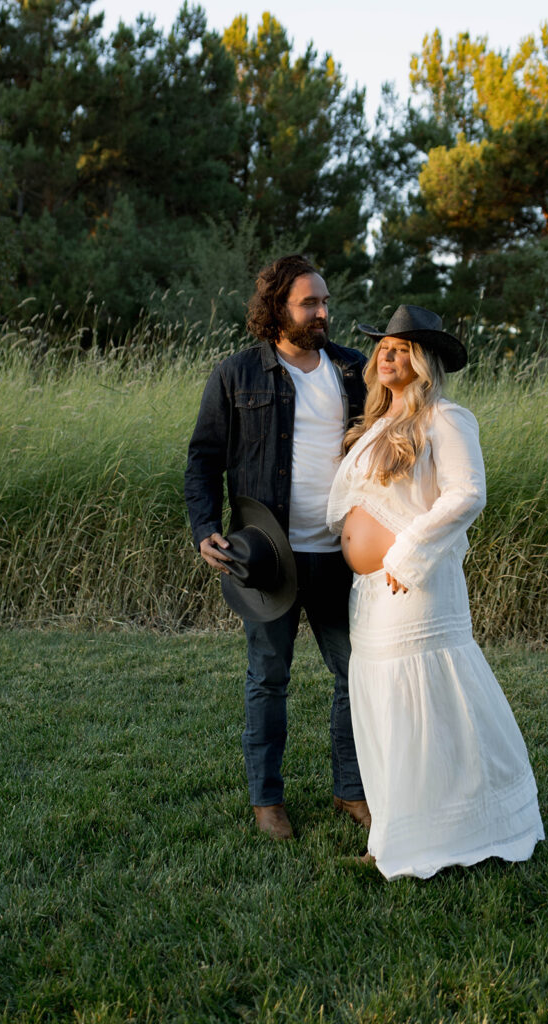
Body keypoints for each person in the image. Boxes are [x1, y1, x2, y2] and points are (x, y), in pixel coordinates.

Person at [327, 304, 545, 879]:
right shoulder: (375, 423)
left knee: (419, 705)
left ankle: (458, 830)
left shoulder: (446, 418)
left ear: (422, 361)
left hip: (413, 587)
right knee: (379, 704)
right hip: (370, 592)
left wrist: (406, 552)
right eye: (383, 347)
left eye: (402, 347)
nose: (388, 354)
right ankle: (392, 835)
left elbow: (467, 494)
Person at [184, 254, 371, 840]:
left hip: (341, 555)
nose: (322, 312)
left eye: (325, 301)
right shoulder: (237, 374)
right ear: (277, 309)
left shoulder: (354, 370)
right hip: (268, 558)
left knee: (355, 674)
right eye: (309, 303)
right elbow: (203, 458)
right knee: (269, 678)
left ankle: (350, 790)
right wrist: (203, 526)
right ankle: (267, 799)